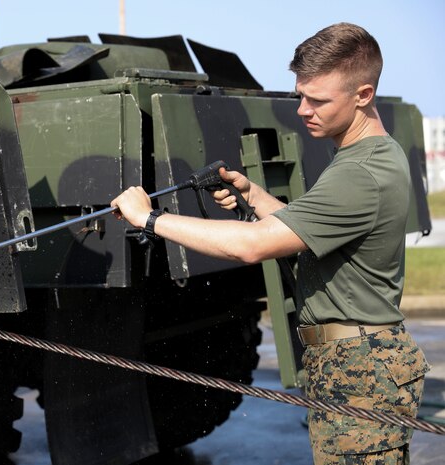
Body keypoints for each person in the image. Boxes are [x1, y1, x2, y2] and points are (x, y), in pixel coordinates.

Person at [110, 22, 429, 465]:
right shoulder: (372, 154)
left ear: (363, 95)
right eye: (300, 95)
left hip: (359, 369)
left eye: (318, 100)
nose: (302, 109)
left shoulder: (359, 173)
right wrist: (257, 197)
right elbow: (315, 227)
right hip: (358, 361)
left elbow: (252, 247)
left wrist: (150, 218)